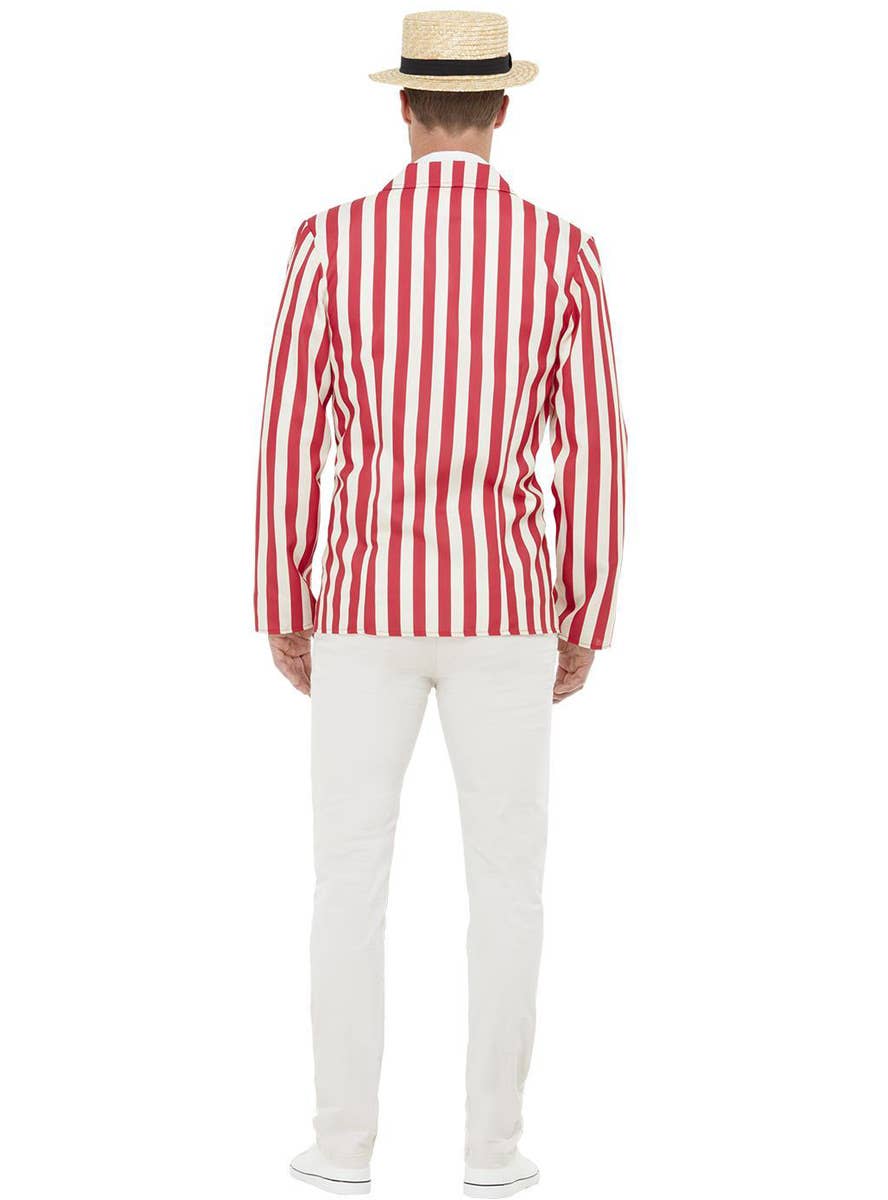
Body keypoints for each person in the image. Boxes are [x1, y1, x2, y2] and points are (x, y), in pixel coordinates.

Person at [254, 10, 627, 1196]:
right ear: (503, 109)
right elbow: (597, 449)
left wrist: (285, 596)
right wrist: (586, 612)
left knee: (347, 878)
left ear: (403, 107)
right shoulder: (561, 251)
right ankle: (492, 1153)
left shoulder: (330, 241)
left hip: (363, 606)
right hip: (508, 607)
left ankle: (341, 1148)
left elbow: (288, 436)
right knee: (509, 884)